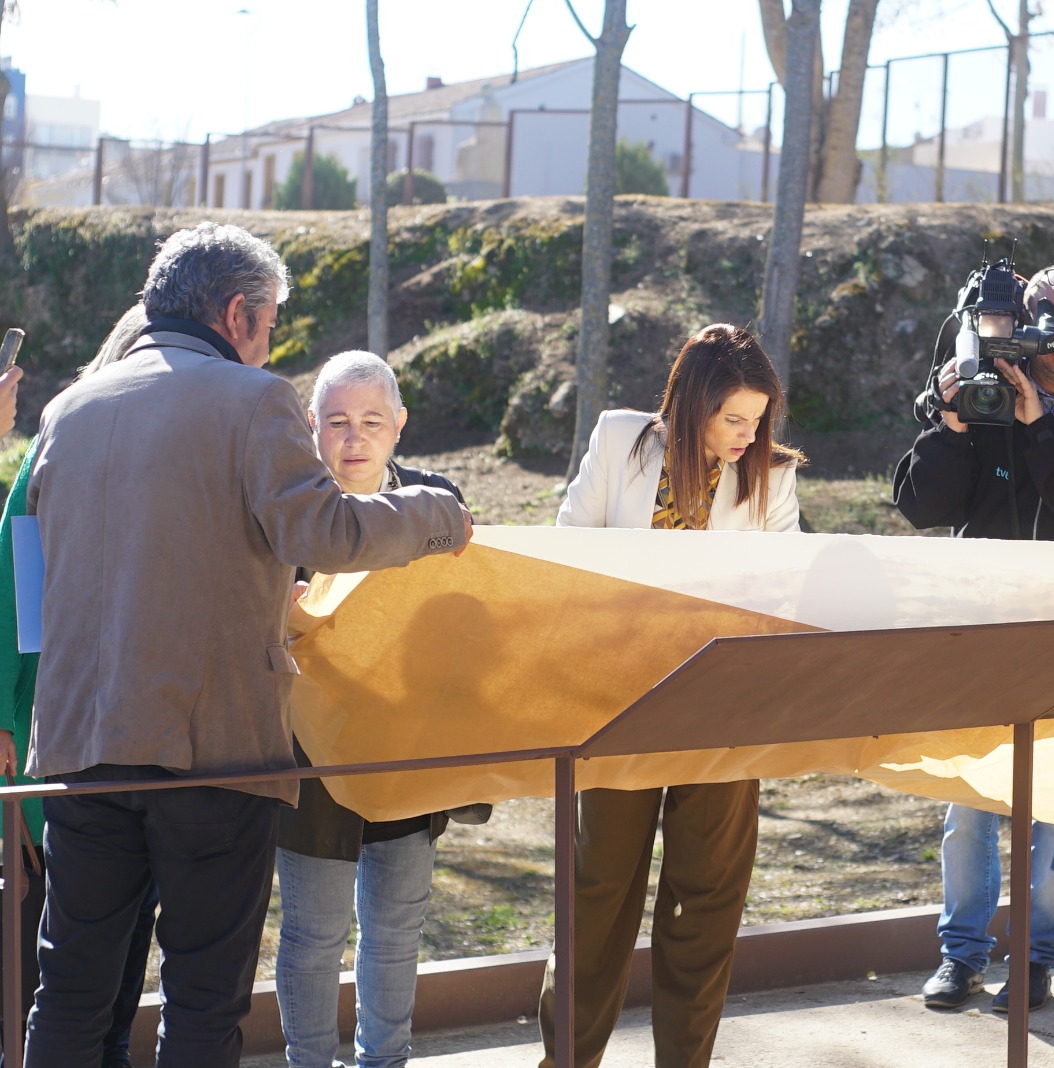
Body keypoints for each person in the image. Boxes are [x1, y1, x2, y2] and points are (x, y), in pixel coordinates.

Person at [22, 222, 473, 1068]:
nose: (267, 344)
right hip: (211, 751)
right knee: (202, 998)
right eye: (267, 324)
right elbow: (329, 530)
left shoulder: (65, 411)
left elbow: (41, 575)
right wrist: (440, 513)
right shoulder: (252, 397)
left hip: (79, 748)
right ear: (237, 314)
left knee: (72, 994)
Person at [536, 323, 803, 1068]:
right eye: (734, 419)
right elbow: (567, 555)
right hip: (619, 705)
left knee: (705, 904)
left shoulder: (772, 476)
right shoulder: (621, 439)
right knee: (597, 896)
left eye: (759, 419)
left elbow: (781, 594)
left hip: (722, 715)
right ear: (691, 406)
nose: (749, 436)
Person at [893, 264, 1054, 1014]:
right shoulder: (981, 390)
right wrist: (952, 424)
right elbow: (919, 506)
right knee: (970, 806)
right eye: (1052, 323)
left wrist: (1039, 423)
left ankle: (1035, 959)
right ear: (1021, 322)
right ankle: (961, 955)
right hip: (983, 632)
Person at [275, 351, 484, 1068]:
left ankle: (384, 1060)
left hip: (405, 743)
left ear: (399, 425)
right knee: (313, 934)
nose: (354, 438)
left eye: (371, 421)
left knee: (396, 925)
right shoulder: (283, 507)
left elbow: (465, 622)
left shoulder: (436, 504)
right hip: (308, 753)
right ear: (311, 427)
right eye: (337, 422)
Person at [0, 303, 157, 1068]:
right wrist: (4, 716)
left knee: (121, 948)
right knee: (57, 953)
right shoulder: (55, 451)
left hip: (134, 744)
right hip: (55, 739)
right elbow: (19, 606)